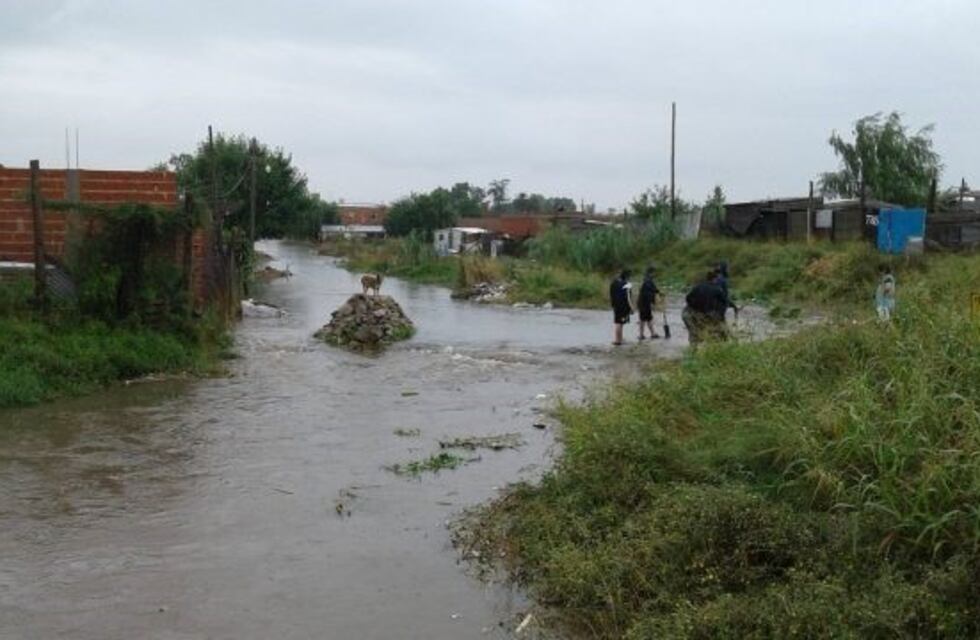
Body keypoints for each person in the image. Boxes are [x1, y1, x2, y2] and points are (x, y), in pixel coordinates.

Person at [682, 269, 730, 345]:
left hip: (689, 313)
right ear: (715, 279)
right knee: (715, 332)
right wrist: (722, 313)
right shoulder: (717, 289)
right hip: (703, 313)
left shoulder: (698, 286)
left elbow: (688, 298)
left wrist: (694, 305)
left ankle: (693, 352)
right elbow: (725, 301)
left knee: (694, 334)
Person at [609, 269, 634, 346]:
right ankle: (617, 340)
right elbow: (628, 298)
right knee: (620, 323)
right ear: (627, 277)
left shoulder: (613, 283)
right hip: (624, 306)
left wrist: (613, 304)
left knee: (619, 322)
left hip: (616, 305)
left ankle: (620, 338)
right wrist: (632, 308)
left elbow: (611, 295)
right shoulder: (627, 284)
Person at [637, 266, 660, 340]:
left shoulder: (648, 280)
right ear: (651, 272)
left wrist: (659, 292)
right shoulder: (647, 281)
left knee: (648, 318)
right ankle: (641, 335)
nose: (654, 274)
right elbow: (650, 292)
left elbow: (654, 289)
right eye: (654, 273)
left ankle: (652, 333)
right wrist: (653, 302)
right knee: (643, 319)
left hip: (645, 303)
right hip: (643, 303)